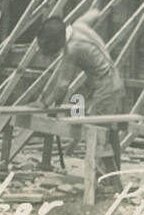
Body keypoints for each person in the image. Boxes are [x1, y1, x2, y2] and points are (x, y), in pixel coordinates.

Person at [37, 14, 128, 185]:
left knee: (98, 133)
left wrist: (44, 103)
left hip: (106, 87)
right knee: (110, 131)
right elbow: (94, 13)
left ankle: (101, 181)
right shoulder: (79, 25)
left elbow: (63, 84)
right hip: (112, 81)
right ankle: (112, 176)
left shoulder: (73, 48)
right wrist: (100, 9)